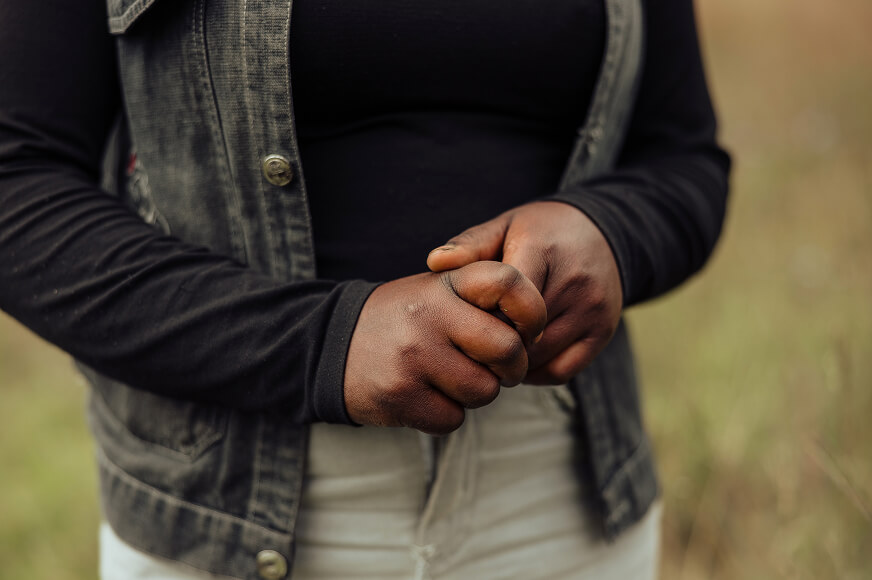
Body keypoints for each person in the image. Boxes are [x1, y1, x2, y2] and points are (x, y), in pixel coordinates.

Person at [0, 0, 730, 578]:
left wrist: (608, 233)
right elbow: (18, 183)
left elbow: (684, 155)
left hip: (563, 501)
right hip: (226, 509)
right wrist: (328, 343)